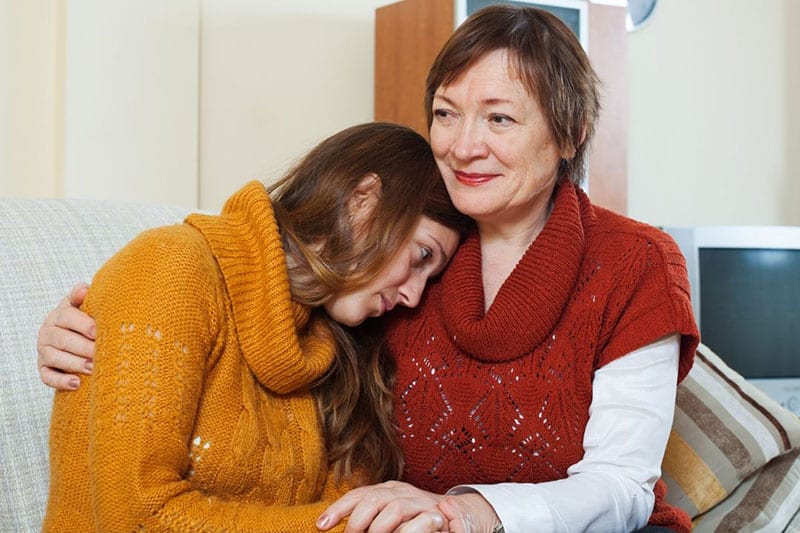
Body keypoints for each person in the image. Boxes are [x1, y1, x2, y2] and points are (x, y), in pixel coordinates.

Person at [39, 6, 700, 533]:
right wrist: (92, 327)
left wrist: (472, 512)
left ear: (569, 132)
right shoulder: (407, 251)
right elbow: (260, 278)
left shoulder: (632, 260)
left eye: (499, 118)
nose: (464, 145)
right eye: (446, 113)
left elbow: (621, 483)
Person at [39, 121, 471, 532]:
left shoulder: (337, 349)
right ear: (363, 199)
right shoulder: (171, 268)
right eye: (421, 256)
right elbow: (136, 520)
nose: (414, 296)